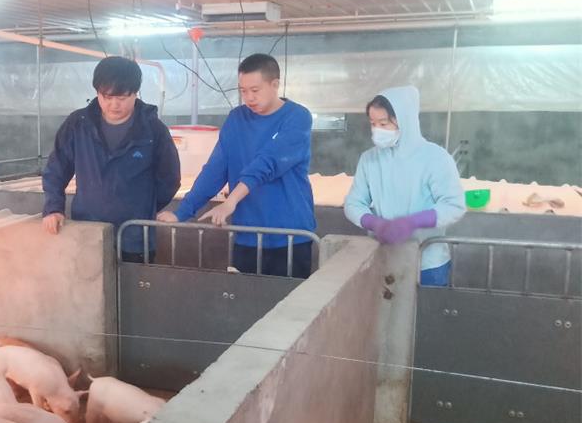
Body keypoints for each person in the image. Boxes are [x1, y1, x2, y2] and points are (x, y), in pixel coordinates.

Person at [158, 53, 316, 278]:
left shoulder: (297, 117)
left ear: (275, 85)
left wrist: (231, 201)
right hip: (247, 233)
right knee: (243, 297)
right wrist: (182, 212)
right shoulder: (236, 119)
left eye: (255, 90)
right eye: (243, 91)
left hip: (290, 234)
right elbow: (215, 170)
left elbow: (268, 162)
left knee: (290, 298)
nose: (249, 98)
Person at [41, 56, 181, 262]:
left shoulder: (153, 130)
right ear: (97, 92)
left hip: (135, 236)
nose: (114, 104)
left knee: (133, 283)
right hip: (87, 232)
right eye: (107, 97)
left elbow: (169, 178)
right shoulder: (78, 125)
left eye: (122, 97)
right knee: (88, 281)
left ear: (135, 93)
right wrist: (53, 208)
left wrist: (143, 206)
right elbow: (56, 169)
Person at [344, 85, 466, 286]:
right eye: (373, 124)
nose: (377, 130)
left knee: (424, 307)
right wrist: (374, 223)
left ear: (405, 120)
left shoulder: (434, 158)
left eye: (384, 123)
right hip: (384, 258)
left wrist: (414, 222)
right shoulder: (369, 159)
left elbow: (454, 205)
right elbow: (353, 203)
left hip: (426, 263)